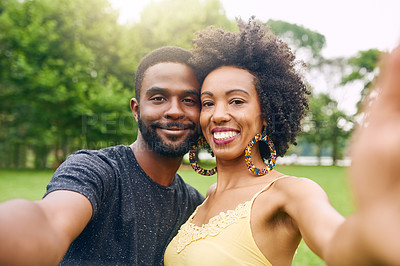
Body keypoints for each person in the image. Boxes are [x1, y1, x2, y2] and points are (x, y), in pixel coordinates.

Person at [0, 46, 204, 265]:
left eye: (189, 100)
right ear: (136, 110)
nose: (174, 110)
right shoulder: (96, 171)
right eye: (158, 98)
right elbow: (50, 221)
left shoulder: (194, 204)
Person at [164, 18, 345, 265]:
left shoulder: (289, 192)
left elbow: (339, 242)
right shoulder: (209, 196)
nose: (218, 115)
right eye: (208, 103)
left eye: (236, 101)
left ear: (267, 115)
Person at [325, 44, 400, 265]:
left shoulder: (293, 190)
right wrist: (379, 220)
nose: (219, 114)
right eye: (213, 102)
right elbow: (337, 252)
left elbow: (329, 243)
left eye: (237, 101)